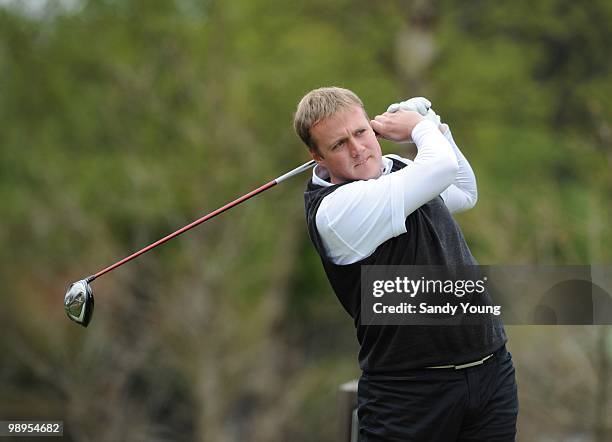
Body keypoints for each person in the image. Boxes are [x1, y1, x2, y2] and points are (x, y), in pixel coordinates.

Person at [293, 86, 518, 441]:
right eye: (338, 144)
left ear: (372, 126)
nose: (357, 149)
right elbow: (440, 167)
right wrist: (417, 126)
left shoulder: (394, 170)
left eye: (361, 132)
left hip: (489, 371)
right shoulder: (336, 211)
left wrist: (435, 126)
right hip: (409, 393)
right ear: (316, 156)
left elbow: (462, 190)